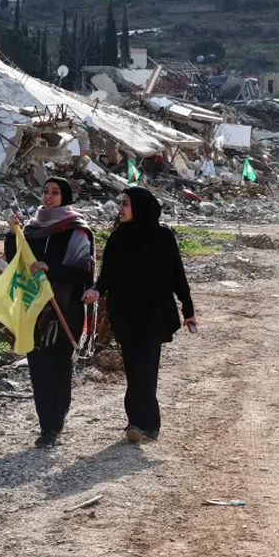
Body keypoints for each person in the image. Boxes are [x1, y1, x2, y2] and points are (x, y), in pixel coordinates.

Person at [82, 187, 195, 444]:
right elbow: (106, 276)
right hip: (125, 314)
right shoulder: (117, 238)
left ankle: (143, 424)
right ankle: (139, 423)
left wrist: (188, 311)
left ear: (140, 207)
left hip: (154, 315)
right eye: (119, 203)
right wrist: (96, 291)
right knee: (134, 370)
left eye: (125, 204)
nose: (120, 209)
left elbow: (178, 276)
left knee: (146, 369)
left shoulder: (163, 237)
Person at [5, 178, 94, 448]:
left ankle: (57, 420)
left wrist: (50, 268)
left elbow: (83, 271)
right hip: (34, 306)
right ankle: (47, 426)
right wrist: (13, 233)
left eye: (55, 192)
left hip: (66, 307)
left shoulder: (76, 229)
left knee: (59, 364)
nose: (48, 196)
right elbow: (15, 260)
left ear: (64, 197)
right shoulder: (31, 228)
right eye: (45, 191)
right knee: (38, 365)